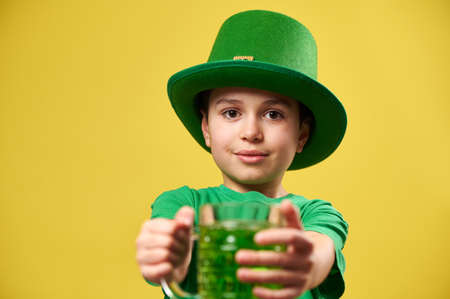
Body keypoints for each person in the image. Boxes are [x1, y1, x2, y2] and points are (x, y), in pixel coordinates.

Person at [136, 9, 348, 299]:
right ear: (206, 128)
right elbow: (172, 254)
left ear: (302, 135)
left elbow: (319, 247)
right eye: (231, 112)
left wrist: (307, 260)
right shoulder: (181, 205)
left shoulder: (315, 215)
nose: (251, 132)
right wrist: (167, 256)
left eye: (273, 114)